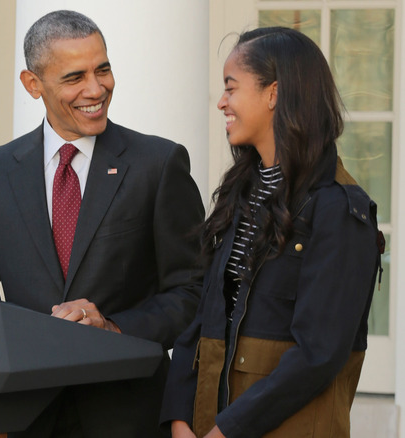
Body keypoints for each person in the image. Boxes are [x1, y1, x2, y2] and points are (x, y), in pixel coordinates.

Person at [0, 10, 205, 437]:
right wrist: (31, 333)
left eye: (102, 69)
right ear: (33, 84)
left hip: (128, 417)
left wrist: (114, 327)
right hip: (23, 417)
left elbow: (194, 292)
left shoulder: (158, 164)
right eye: (74, 77)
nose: (96, 88)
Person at [160, 27, 382, 438]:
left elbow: (319, 353)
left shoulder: (339, 209)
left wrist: (227, 430)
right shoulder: (241, 193)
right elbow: (203, 318)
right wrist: (179, 421)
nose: (222, 102)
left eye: (231, 88)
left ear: (273, 94)